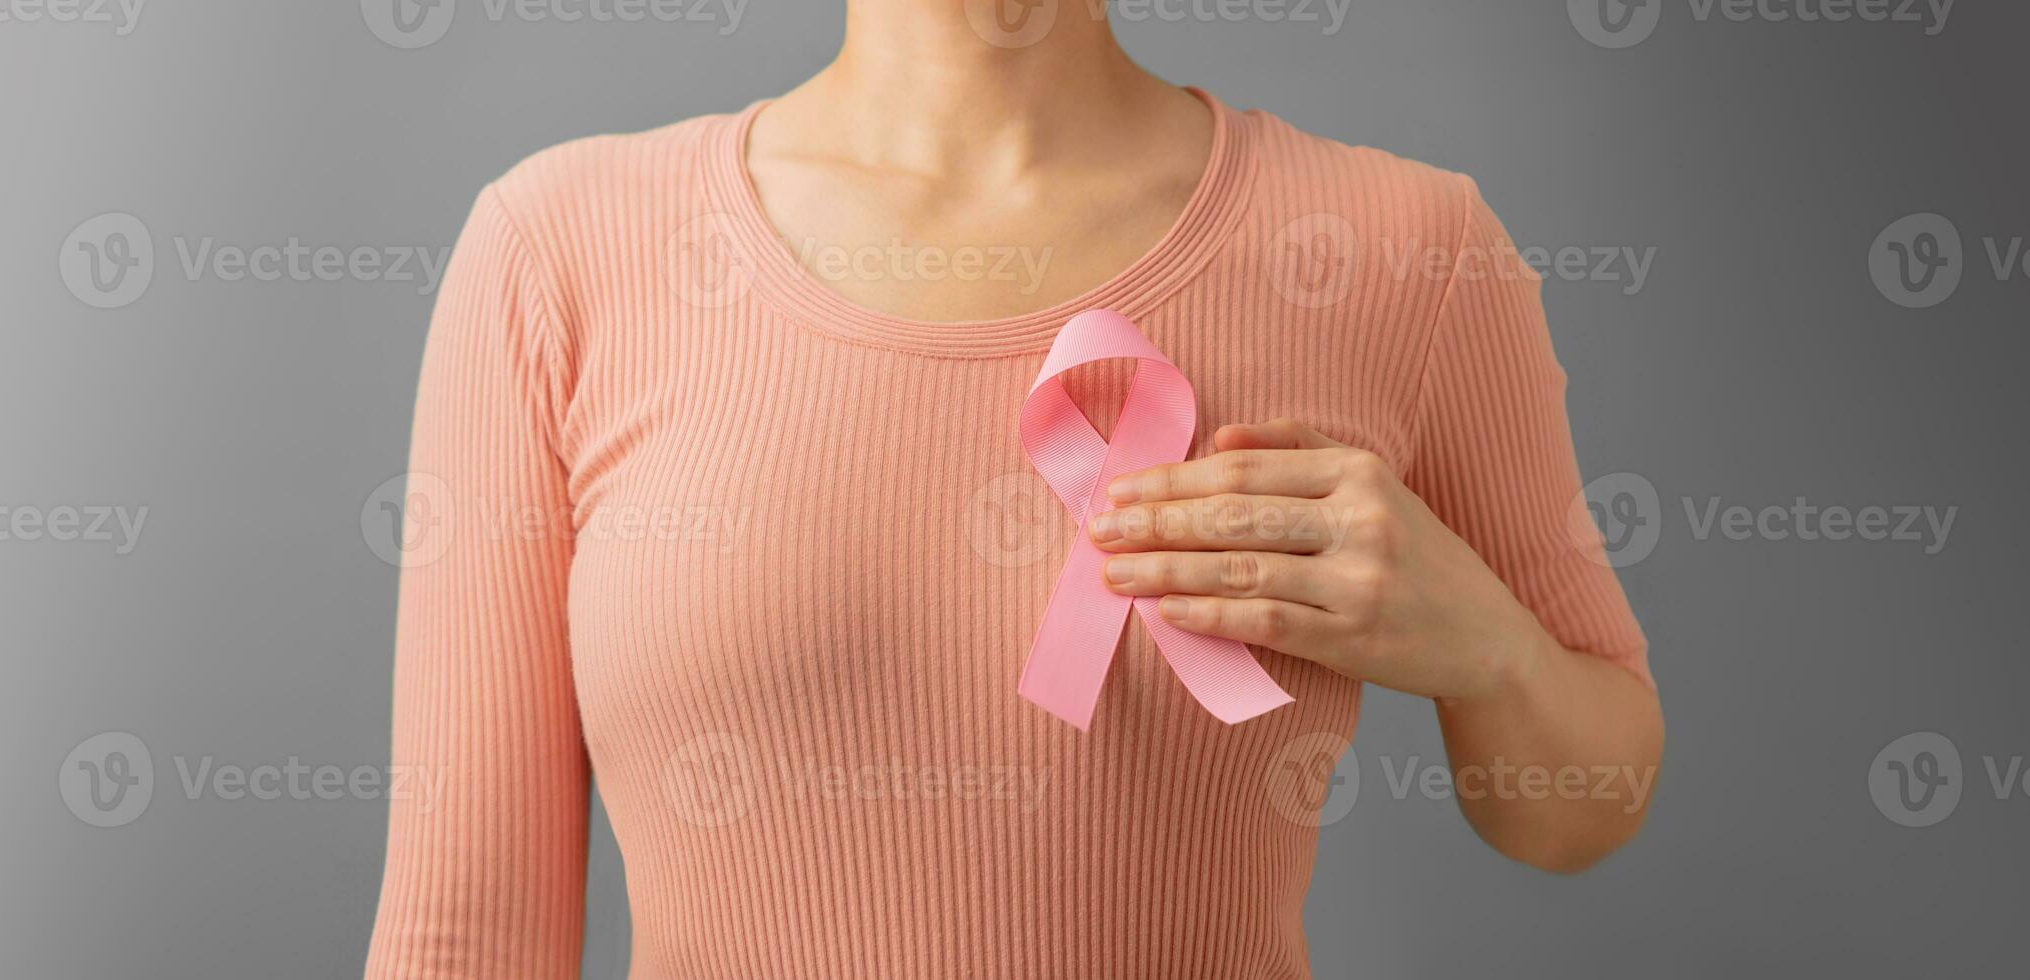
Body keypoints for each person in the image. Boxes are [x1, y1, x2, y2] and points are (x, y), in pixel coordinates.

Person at [364, 2, 1665, 977]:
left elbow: (1583, 813)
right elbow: (465, 935)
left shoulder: (1405, 250)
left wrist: (1488, 652)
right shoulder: (560, 252)